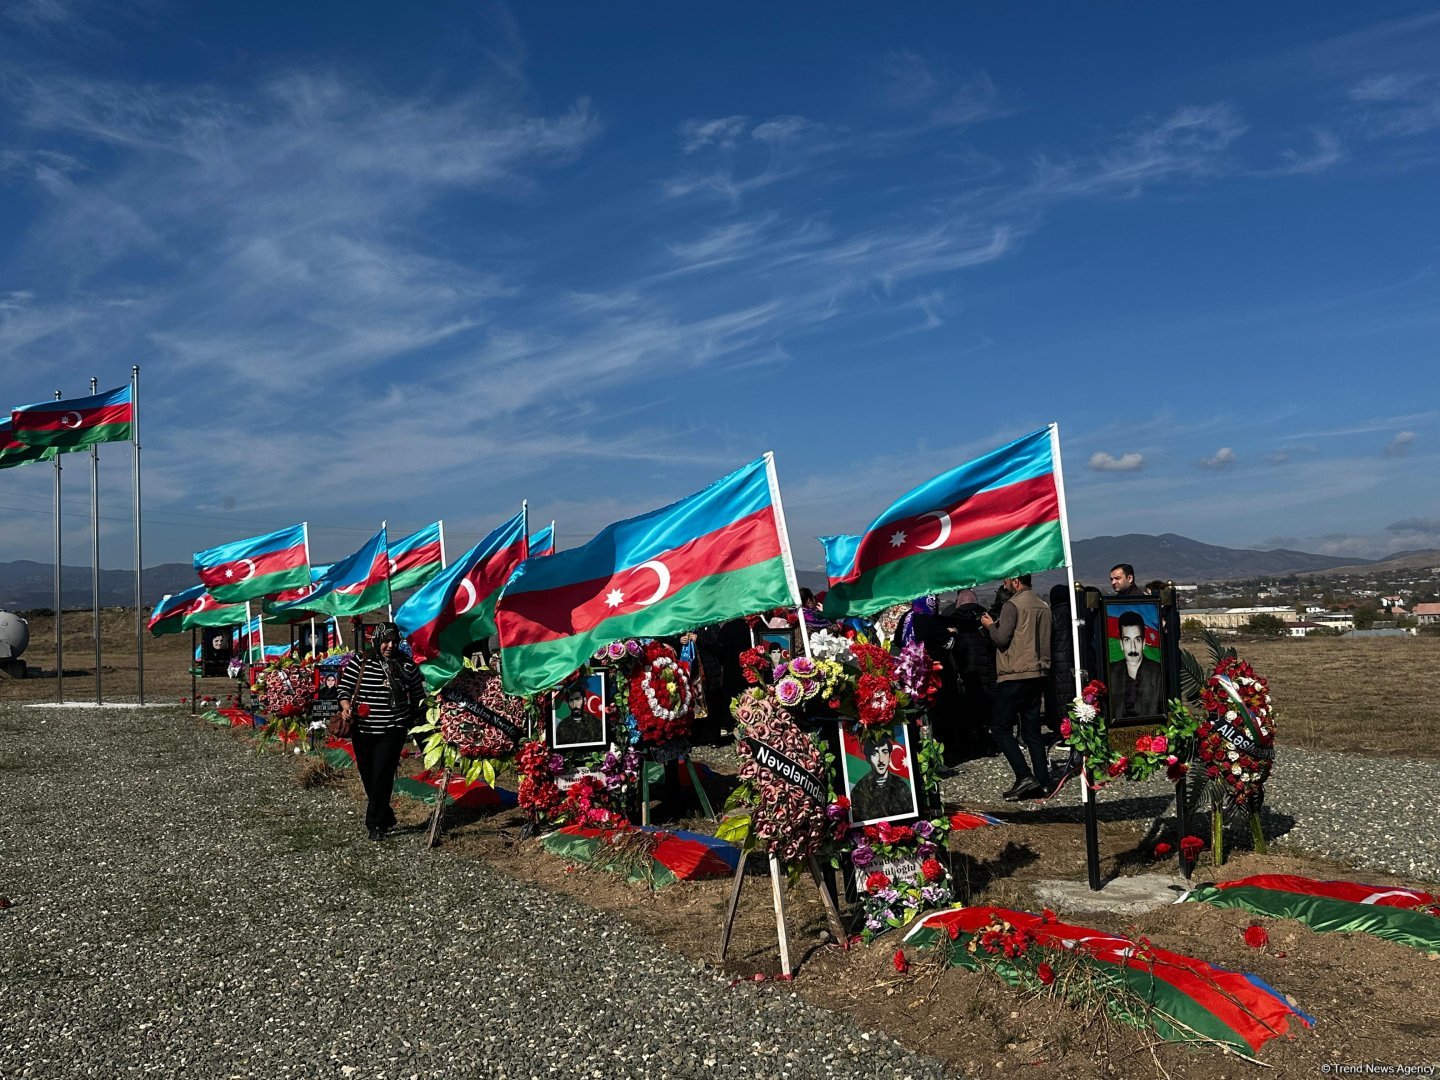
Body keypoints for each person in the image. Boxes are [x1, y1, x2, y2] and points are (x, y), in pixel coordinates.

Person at [334, 623, 425, 840]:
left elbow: (418, 694)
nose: (390, 646)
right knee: (368, 776)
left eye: (395, 641)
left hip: (393, 729)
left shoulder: (406, 665)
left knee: (382, 775)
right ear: (376, 640)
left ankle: (374, 825)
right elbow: (344, 688)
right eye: (386, 641)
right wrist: (346, 708)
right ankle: (385, 813)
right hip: (363, 729)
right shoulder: (361, 661)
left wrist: (418, 721)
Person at [980, 574, 1052, 800]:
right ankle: (1043, 781)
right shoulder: (1043, 605)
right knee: (1032, 731)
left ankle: (1024, 776)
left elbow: (1002, 639)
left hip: (1014, 673)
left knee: (1000, 727)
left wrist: (990, 626)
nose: (1004, 585)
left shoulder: (1012, 605)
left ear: (1016, 582)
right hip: (1038, 672)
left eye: (1006, 581)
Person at [1108, 611, 1164, 718]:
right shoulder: (1110, 672)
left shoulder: (1158, 673)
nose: (1133, 648)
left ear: (1143, 643)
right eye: (1127, 640)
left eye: (1137, 640)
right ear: (1121, 644)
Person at [848, 733, 914, 822]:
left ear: (890, 756)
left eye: (885, 752)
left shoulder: (900, 785)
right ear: (868, 759)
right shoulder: (859, 790)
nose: (881, 760)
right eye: (875, 753)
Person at [554, 681, 603, 746]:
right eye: (571, 700)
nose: (574, 705)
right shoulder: (562, 726)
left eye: (577, 699)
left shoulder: (597, 723)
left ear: (584, 700)